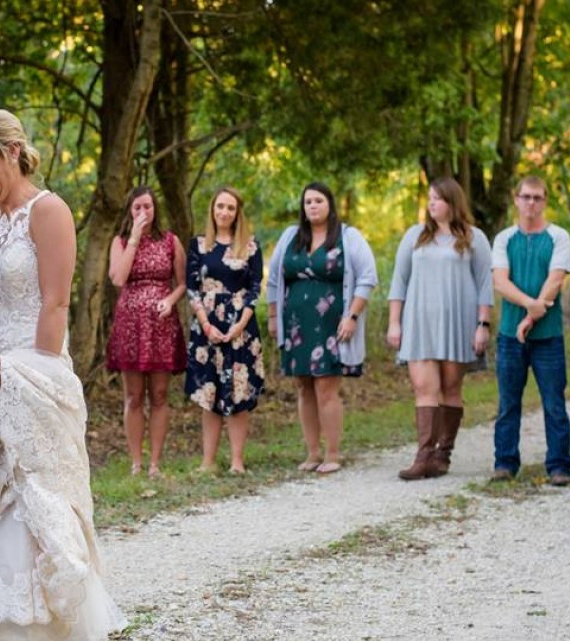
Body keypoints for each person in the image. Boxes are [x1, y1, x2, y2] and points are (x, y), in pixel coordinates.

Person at [0, 109, 126, 639]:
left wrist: (28, 383)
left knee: (32, 497)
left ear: (12, 152)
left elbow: (55, 304)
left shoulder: (49, 211)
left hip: (33, 372)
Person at [267, 182, 378, 474]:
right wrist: (272, 316)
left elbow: (367, 277)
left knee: (325, 386)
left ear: (329, 203)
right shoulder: (291, 236)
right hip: (296, 324)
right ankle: (312, 452)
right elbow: (275, 280)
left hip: (333, 325)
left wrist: (352, 316)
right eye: (307, 202)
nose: (312, 206)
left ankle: (332, 454)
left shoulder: (348, 236)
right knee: (303, 386)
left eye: (318, 200)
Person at [387, 177, 493, 480]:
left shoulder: (474, 238)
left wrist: (482, 325)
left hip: (457, 323)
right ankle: (423, 455)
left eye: (438, 198)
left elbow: (485, 283)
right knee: (423, 387)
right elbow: (399, 281)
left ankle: (442, 455)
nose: (431, 203)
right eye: (429, 198)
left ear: (452, 201)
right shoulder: (415, 236)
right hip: (419, 322)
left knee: (450, 389)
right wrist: (395, 322)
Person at [490, 176, 570, 486]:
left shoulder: (558, 237)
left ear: (545, 201)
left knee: (554, 402)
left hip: (548, 338)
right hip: (510, 336)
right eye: (525, 197)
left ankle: (559, 466)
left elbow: (555, 279)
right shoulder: (504, 239)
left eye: (537, 198)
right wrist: (532, 307)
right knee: (508, 402)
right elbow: (500, 282)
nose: (531, 203)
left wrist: (533, 317)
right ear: (516, 199)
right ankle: (505, 462)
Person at [106, 186, 187, 478]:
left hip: (162, 325)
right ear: (130, 210)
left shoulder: (170, 241)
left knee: (161, 394)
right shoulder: (120, 241)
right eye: (138, 207)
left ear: (156, 209)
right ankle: (136, 462)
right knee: (134, 396)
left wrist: (170, 299)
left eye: (148, 207)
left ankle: (155, 463)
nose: (143, 213)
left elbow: (182, 282)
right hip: (130, 324)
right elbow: (118, 278)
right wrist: (135, 239)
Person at [185, 187, 266, 474]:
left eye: (230, 208)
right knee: (209, 394)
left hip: (241, 328)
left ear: (237, 213)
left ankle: (237, 461)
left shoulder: (251, 246)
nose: (224, 212)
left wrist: (238, 326)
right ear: (212, 209)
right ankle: (207, 461)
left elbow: (255, 289)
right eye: (220, 206)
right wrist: (206, 325)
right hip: (206, 327)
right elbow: (192, 289)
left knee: (238, 394)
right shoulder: (198, 245)